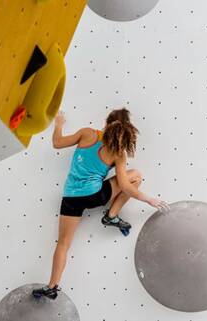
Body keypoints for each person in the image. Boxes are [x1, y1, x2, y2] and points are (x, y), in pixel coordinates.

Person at [32, 108, 169, 300]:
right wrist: (149, 199)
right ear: (126, 129)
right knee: (135, 176)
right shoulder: (118, 153)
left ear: (106, 123)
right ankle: (111, 216)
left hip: (71, 197)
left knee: (63, 244)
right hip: (95, 195)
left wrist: (59, 125)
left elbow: (57, 143)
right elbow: (125, 186)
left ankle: (52, 286)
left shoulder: (87, 133)